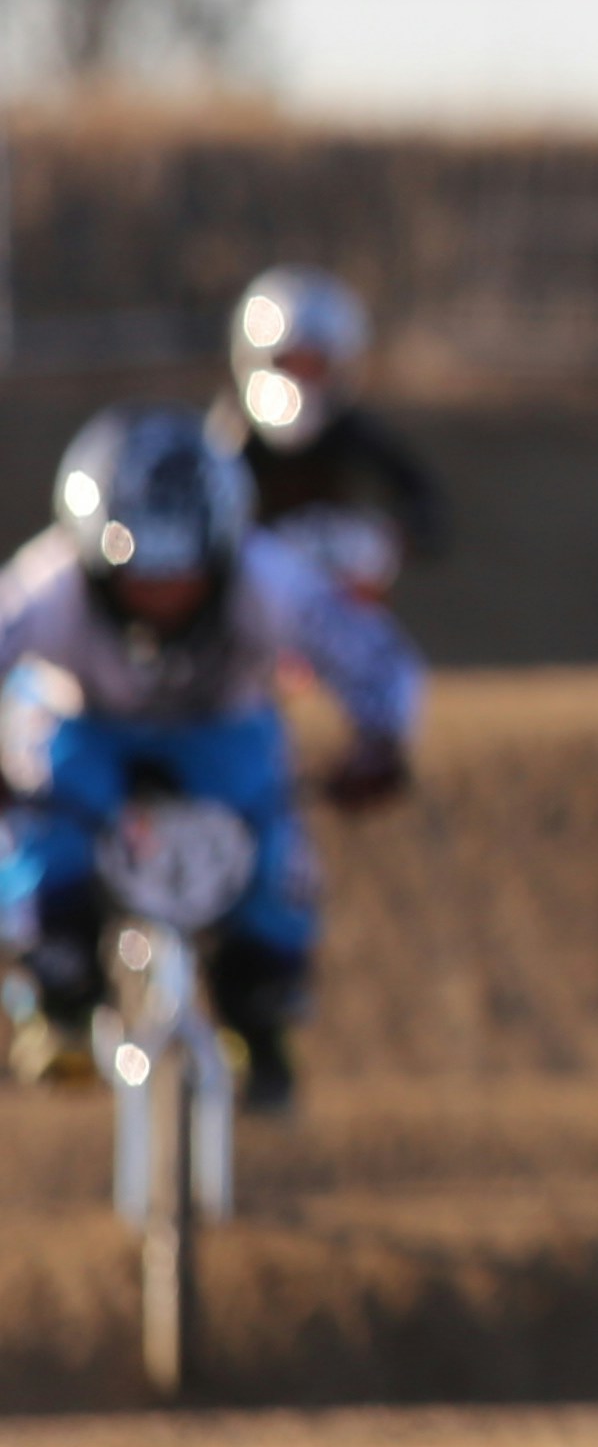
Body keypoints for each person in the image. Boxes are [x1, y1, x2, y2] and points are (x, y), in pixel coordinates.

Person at [0, 407, 425, 1109]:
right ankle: (56, 993)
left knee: (274, 841)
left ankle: (260, 1012)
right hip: (82, 726)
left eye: (183, 573)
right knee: (41, 832)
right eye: (141, 573)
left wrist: (380, 742)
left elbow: (372, 656)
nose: (163, 594)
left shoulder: (269, 579)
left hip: (223, 730)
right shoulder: (50, 585)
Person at [215, 265, 449, 596]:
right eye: (290, 363)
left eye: (315, 365)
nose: (300, 379)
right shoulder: (229, 439)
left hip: (338, 603)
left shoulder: (352, 430)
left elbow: (428, 510)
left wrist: (385, 540)